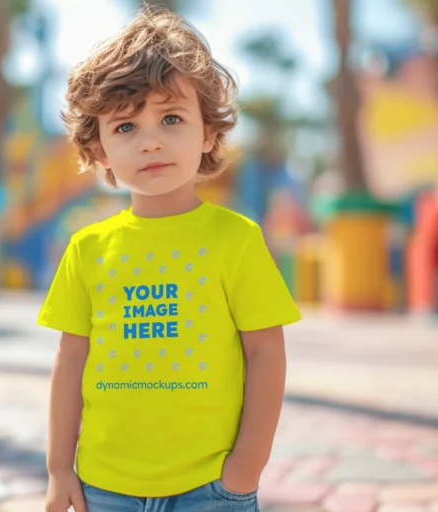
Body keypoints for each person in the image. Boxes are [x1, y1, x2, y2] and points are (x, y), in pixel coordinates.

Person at [37, 5, 301, 511]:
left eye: (171, 117)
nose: (151, 140)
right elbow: (71, 362)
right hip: (104, 486)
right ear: (98, 150)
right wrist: (58, 468)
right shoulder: (87, 248)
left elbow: (266, 355)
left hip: (213, 487)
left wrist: (246, 468)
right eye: (125, 128)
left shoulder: (237, 239)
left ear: (207, 133)